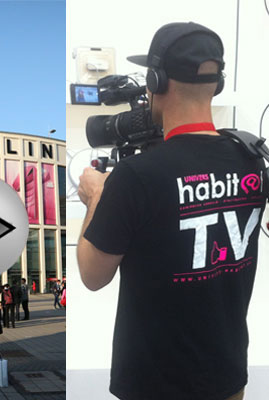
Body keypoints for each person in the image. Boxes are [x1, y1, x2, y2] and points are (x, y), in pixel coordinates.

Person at [76, 22, 260, 400]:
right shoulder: (251, 159)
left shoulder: (136, 176)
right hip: (228, 376)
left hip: (154, 384)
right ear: (217, 83)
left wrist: (96, 198)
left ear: (156, 81)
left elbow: (93, 275)